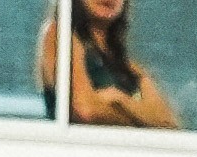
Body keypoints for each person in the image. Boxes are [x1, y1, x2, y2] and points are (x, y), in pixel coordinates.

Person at [40, 0, 181, 125]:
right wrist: (142, 116)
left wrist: (119, 99)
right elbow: (86, 111)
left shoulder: (129, 67)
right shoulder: (60, 34)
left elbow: (168, 122)